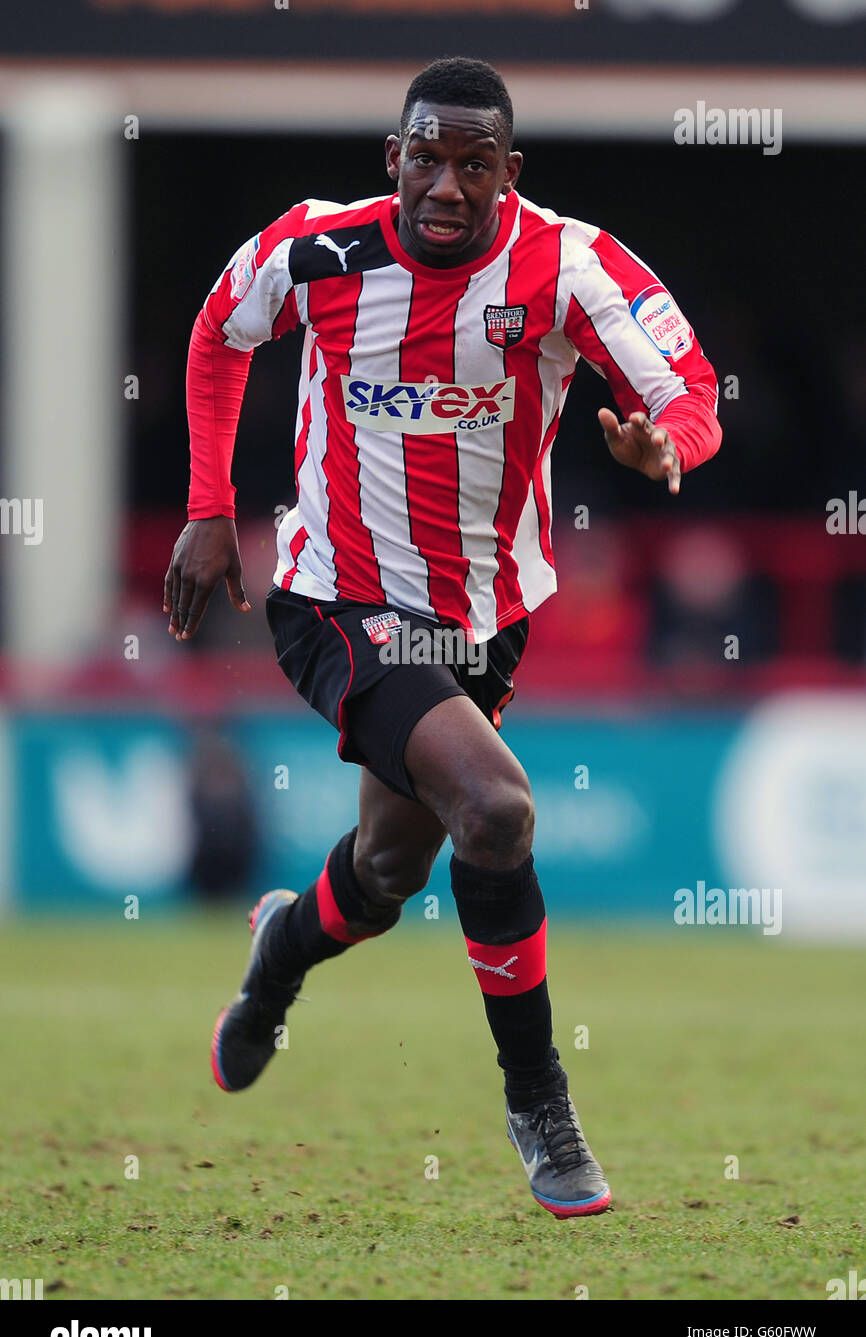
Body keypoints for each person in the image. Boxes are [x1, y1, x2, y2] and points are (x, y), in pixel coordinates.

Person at [164, 56, 722, 1220]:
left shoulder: (569, 264)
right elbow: (221, 330)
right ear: (394, 159)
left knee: (383, 871)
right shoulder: (317, 249)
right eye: (428, 157)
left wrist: (668, 445)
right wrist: (209, 507)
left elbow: (686, 385)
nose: (447, 185)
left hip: (485, 614)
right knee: (499, 808)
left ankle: (276, 957)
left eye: (475, 164)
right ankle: (540, 1103)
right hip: (336, 596)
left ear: (508, 173)